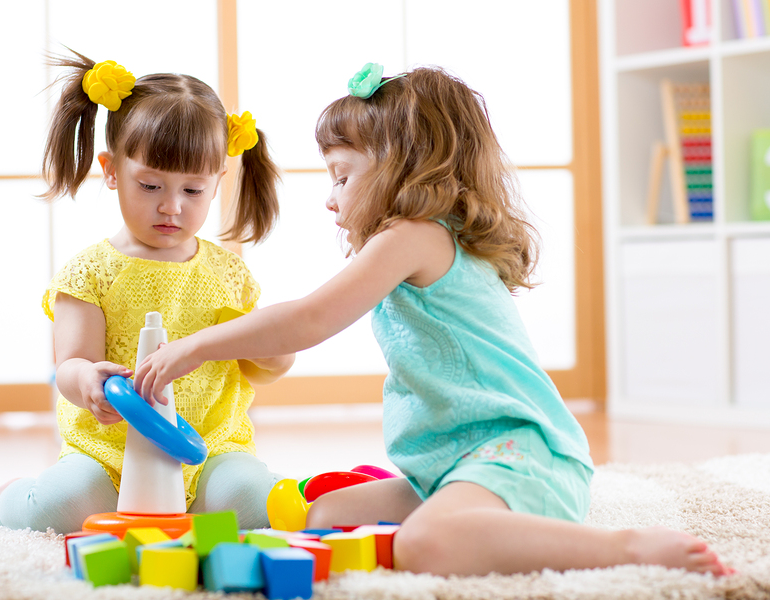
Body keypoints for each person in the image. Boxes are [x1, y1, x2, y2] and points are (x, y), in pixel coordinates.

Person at [133, 64, 733, 577]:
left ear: (402, 167)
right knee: (325, 518)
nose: (330, 197)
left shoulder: (414, 235)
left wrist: (197, 346)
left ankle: (623, 548)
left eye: (342, 176)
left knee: (425, 545)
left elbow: (311, 319)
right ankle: (475, 524)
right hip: (453, 467)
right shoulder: (418, 240)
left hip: (519, 456)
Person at [0, 51, 294, 534]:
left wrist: (273, 354)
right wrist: (88, 381)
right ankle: (9, 498)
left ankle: (200, 507)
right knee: (60, 508)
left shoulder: (229, 274)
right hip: (110, 457)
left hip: (207, 451)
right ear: (111, 170)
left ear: (217, 183)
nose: (171, 207)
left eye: (192, 191)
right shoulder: (91, 273)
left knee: (254, 503)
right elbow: (70, 365)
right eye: (150, 185)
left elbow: (264, 365)